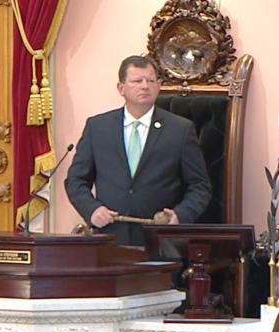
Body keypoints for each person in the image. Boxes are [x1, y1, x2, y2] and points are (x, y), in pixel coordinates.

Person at [65, 55, 212, 246]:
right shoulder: (97, 128)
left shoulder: (180, 130)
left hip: (159, 242)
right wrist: (92, 210)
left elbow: (200, 186)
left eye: (150, 81)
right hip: (110, 240)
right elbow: (75, 180)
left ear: (159, 86)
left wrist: (180, 215)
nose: (145, 86)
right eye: (137, 81)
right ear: (121, 88)